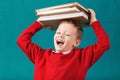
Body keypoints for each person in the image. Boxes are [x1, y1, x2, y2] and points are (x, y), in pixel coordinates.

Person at [17, 9, 110, 80]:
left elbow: (104, 43)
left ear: (76, 42)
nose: (60, 35)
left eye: (67, 34)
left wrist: (94, 22)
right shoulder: (40, 55)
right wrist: (39, 23)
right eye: (58, 32)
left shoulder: (82, 57)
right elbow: (22, 40)